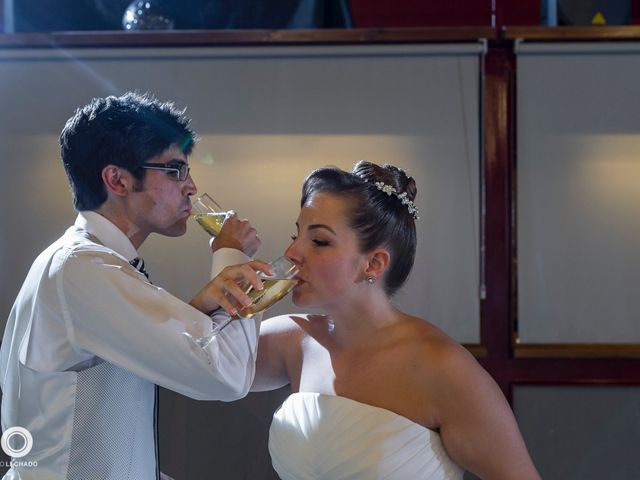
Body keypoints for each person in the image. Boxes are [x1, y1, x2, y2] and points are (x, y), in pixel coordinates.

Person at [0, 92, 267, 480]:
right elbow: (224, 377)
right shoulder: (83, 268)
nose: (190, 187)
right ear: (118, 180)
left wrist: (200, 307)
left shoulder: (87, 262)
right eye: (175, 171)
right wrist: (233, 256)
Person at [250, 161, 541, 479]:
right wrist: (229, 269)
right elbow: (196, 362)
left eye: (319, 241)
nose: (292, 252)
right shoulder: (293, 341)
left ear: (373, 263)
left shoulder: (442, 367)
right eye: (296, 234)